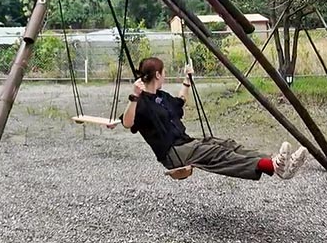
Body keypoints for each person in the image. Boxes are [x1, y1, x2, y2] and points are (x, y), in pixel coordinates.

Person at [115, 56, 308, 181]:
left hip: (185, 143)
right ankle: (273, 166)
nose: (165, 76)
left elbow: (180, 101)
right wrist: (134, 96)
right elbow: (127, 123)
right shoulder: (140, 102)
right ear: (157, 74)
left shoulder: (162, 96)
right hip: (173, 153)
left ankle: (277, 163)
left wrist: (187, 80)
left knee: (227, 144)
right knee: (215, 153)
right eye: (164, 73)